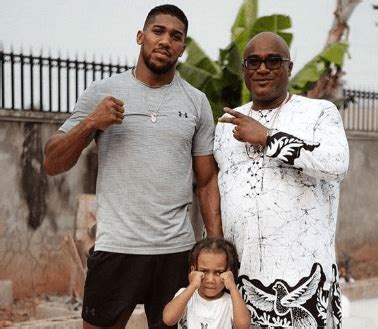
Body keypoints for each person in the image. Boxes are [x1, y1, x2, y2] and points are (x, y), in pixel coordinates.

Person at [44, 4, 222, 329]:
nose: (166, 40)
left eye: (176, 36)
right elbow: (52, 161)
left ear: (183, 47)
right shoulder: (102, 92)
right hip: (117, 247)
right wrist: (90, 123)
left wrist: (216, 245)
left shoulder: (196, 103)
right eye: (158, 31)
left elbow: (207, 181)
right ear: (141, 36)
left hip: (175, 251)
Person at [214, 32, 349, 328]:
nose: (263, 69)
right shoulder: (226, 125)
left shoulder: (319, 112)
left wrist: (268, 138)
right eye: (253, 62)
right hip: (242, 281)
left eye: (273, 61)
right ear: (244, 69)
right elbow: (217, 189)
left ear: (289, 67)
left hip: (302, 280)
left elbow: (336, 164)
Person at [162, 237, 250, 329]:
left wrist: (233, 287)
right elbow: (168, 319)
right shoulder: (186, 296)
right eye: (204, 271)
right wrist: (192, 285)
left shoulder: (231, 301)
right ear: (193, 270)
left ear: (229, 273)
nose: (210, 280)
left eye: (218, 273)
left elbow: (243, 326)